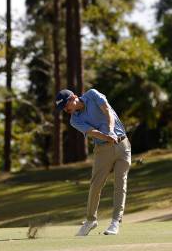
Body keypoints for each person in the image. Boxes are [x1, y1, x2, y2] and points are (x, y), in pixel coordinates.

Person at [55, 88, 131, 236]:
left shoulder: (92, 94)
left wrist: (110, 130)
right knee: (95, 185)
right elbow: (92, 132)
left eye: (65, 105)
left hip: (123, 145)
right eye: (63, 108)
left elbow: (107, 110)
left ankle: (115, 222)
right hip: (102, 150)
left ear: (74, 97)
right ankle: (91, 220)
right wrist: (108, 137)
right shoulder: (74, 120)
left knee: (120, 183)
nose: (65, 109)